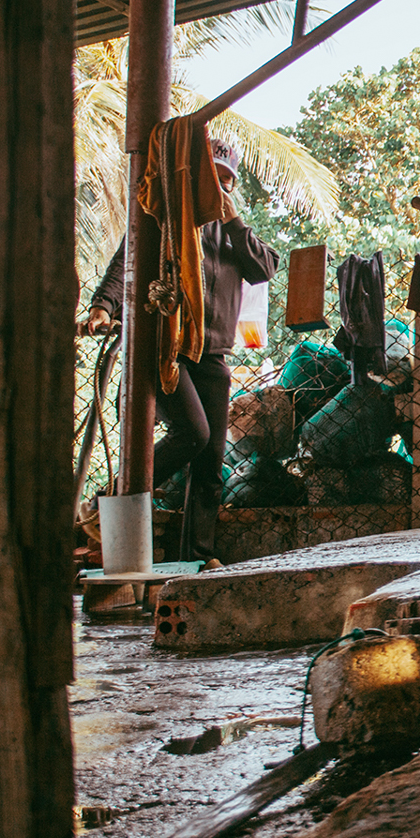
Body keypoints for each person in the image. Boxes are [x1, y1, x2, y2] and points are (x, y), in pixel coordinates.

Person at [81, 146, 279, 562]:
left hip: (214, 355)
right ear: (193, 181)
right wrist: (104, 305)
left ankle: (198, 557)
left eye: (227, 181)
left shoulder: (232, 232)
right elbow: (127, 262)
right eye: (213, 179)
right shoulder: (165, 221)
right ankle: (108, 504)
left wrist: (233, 219)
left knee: (210, 468)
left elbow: (264, 268)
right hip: (167, 348)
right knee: (193, 433)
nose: (221, 187)